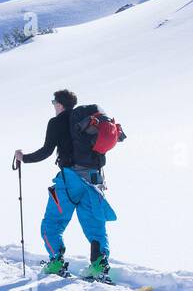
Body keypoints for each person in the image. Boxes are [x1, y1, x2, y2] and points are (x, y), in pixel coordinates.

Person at [13, 89, 118, 280]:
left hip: (70, 180)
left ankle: (56, 262)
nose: (53, 106)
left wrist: (23, 158)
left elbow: (46, 151)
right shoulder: (85, 122)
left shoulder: (57, 122)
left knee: (52, 223)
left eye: (54, 102)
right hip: (94, 178)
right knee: (95, 224)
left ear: (59, 104)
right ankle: (99, 266)